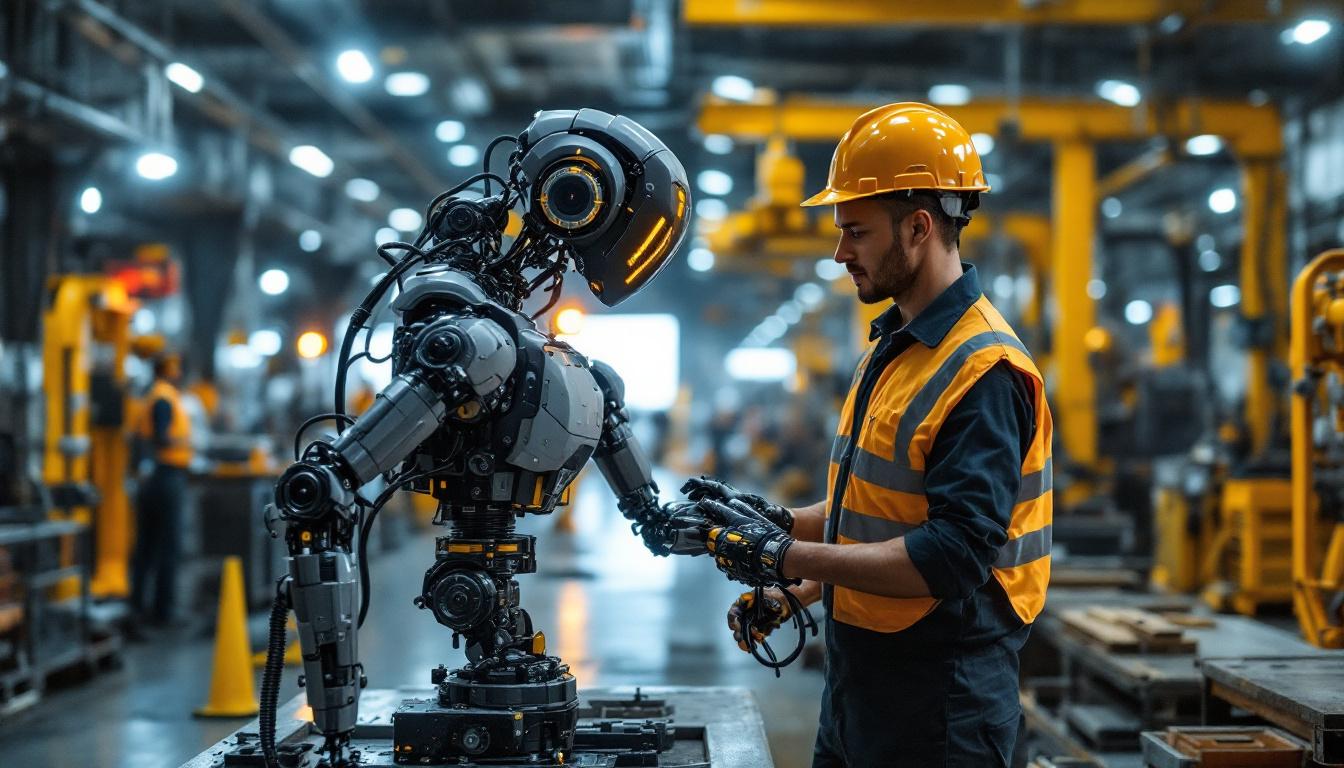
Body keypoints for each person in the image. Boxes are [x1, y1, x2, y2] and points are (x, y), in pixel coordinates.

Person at [689, 103, 1053, 766]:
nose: (839, 252)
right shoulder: (896, 349)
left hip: (943, 709)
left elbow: (949, 557)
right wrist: (781, 536)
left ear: (918, 227)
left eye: (855, 231)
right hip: (862, 690)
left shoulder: (984, 371)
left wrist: (783, 555)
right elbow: (878, 511)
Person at [130, 351, 192, 626]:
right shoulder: (164, 397)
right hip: (167, 477)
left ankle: (139, 607)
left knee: (147, 545)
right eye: (175, 368)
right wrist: (184, 444)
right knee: (168, 545)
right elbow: (162, 437)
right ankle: (163, 612)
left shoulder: (152, 395)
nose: (178, 373)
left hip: (154, 478)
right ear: (166, 369)